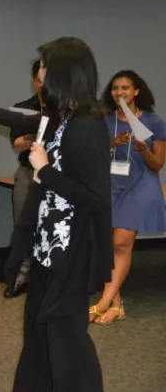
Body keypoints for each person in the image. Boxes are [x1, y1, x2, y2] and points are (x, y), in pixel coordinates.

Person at [0, 37, 111, 392]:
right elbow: (26, 119)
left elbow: (96, 199)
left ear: (62, 71)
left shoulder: (87, 126)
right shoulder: (63, 117)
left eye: (43, 65)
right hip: (47, 250)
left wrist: (45, 172)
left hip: (71, 254)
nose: (39, 72)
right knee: (38, 331)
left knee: (67, 338)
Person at [88, 70, 166, 325]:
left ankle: (101, 303)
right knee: (109, 244)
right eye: (115, 88)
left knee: (122, 242)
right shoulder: (104, 120)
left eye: (125, 88)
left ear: (136, 91)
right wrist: (111, 144)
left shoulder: (154, 122)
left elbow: (157, 165)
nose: (119, 93)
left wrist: (143, 151)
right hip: (110, 183)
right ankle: (116, 304)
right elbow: (92, 156)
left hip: (141, 184)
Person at [4, 59, 45, 299]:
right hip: (29, 173)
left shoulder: (69, 109)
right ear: (34, 82)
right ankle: (19, 278)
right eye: (40, 81)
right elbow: (18, 145)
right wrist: (38, 133)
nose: (44, 85)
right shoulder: (22, 108)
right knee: (23, 227)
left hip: (59, 176)